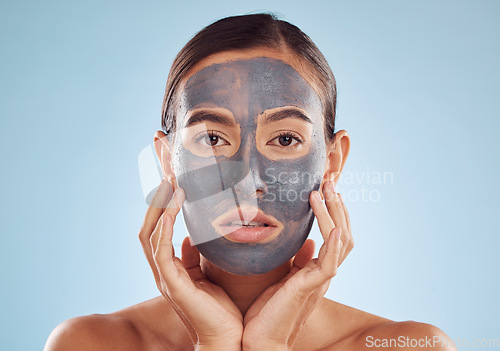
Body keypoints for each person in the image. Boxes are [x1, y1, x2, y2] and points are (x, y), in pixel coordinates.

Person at [45, 13, 456, 351]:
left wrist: (272, 344)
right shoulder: (87, 344)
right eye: (211, 139)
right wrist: (213, 343)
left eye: (285, 139)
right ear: (168, 161)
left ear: (332, 160)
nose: (249, 182)